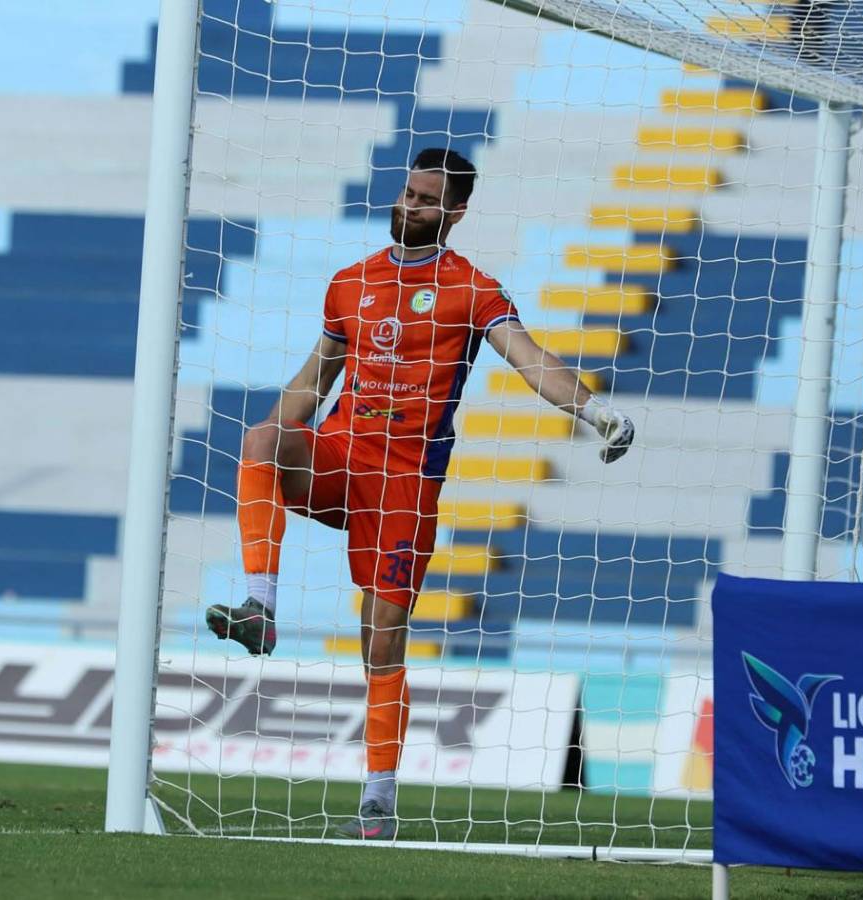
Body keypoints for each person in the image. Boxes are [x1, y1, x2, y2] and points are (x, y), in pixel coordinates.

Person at [206, 147, 634, 839]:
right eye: (407, 192)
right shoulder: (351, 282)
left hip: (405, 487)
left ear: (456, 213)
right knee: (260, 437)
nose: (409, 205)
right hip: (343, 460)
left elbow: (530, 362)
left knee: (381, 642)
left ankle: (378, 803)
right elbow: (314, 383)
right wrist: (274, 457)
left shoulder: (474, 289)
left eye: (427, 199)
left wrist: (595, 411)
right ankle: (262, 606)